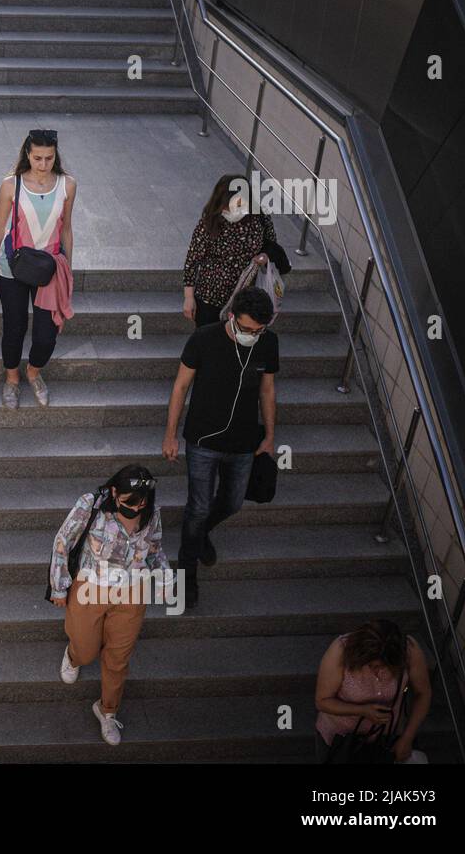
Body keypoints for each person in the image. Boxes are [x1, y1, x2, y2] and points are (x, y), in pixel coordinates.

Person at [162, 286, 278, 608]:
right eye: (246, 329)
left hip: (243, 444)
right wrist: (170, 434)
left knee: (232, 502)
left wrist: (269, 436)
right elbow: (180, 386)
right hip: (202, 441)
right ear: (231, 316)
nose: (252, 335)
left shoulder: (268, 343)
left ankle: (199, 536)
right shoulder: (204, 338)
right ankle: (186, 577)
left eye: (259, 329)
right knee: (197, 507)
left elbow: (267, 391)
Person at [48, 466, 169, 746]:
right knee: (86, 648)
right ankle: (74, 654)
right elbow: (62, 542)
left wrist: (164, 578)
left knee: (118, 659)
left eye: (142, 503)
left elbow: (155, 549)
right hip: (91, 586)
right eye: (129, 502)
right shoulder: (91, 504)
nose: (137, 508)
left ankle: (107, 710)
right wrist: (59, 585)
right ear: (114, 492)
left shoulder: (151, 511)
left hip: (131, 592)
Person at [0, 129, 76, 409]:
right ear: (27, 154)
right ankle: (11, 378)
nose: (43, 164)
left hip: (49, 269)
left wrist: (67, 273)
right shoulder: (11, 185)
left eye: (48, 158)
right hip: (13, 268)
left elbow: (67, 230)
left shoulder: (68, 185)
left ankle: (34, 372)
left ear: (55, 155)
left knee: (47, 335)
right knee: (14, 326)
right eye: (37, 158)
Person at [314, 620, 432, 763]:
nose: (378, 671)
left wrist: (407, 737)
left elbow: (423, 693)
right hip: (342, 739)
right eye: (372, 665)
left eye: (384, 666)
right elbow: (322, 701)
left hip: (388, 738)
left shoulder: (409, 650)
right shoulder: (340, 650)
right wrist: (362, 710)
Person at [182, 173, 277, 328]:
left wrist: (265, 256)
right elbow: (192, 261)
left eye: (241, 203)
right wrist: (188, 297)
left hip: (246, 299)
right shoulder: (209, 221)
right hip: (210, 298)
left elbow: (272, 245)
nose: (236, 209)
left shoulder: (259, 216)